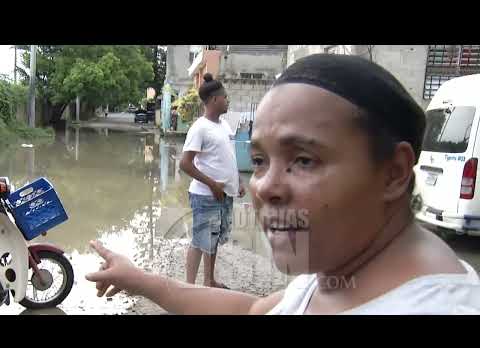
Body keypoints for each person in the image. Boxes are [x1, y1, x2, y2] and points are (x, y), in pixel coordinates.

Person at [86, 54, 480, 314]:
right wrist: (140, 280)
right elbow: (255, 311)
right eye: (259, 161)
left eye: (304, 160)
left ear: (394, 173)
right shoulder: (337, 266)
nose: (264, 188)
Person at [179, 72, 245, 289]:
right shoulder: (199, 128)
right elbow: (185, 163)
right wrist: (212, 184)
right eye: (225, 97)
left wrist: (238, 182)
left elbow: (228, 157)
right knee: (200, 241)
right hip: (205, 196)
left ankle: (209, 281)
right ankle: (189, 289)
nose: (228, 101)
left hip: (223, 194)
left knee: (214, 239)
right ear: (215, 100)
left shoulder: (224, 125)